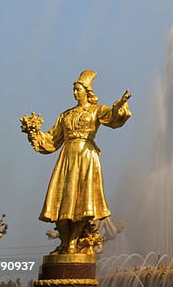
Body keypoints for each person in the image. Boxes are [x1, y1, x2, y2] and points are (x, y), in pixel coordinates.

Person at [22, 70, 131, 254]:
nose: (74, 93)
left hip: (86, 157)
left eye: (78, 89)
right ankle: (64, 241)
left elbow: (114, 118)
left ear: (87, 91)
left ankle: (72, 243)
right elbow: (51, 139)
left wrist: (120, 105)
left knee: (82, 203)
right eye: (73, 90)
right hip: (67, 158)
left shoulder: (97, 110)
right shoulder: (66, 115)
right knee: (60, 202)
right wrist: (34, 133)